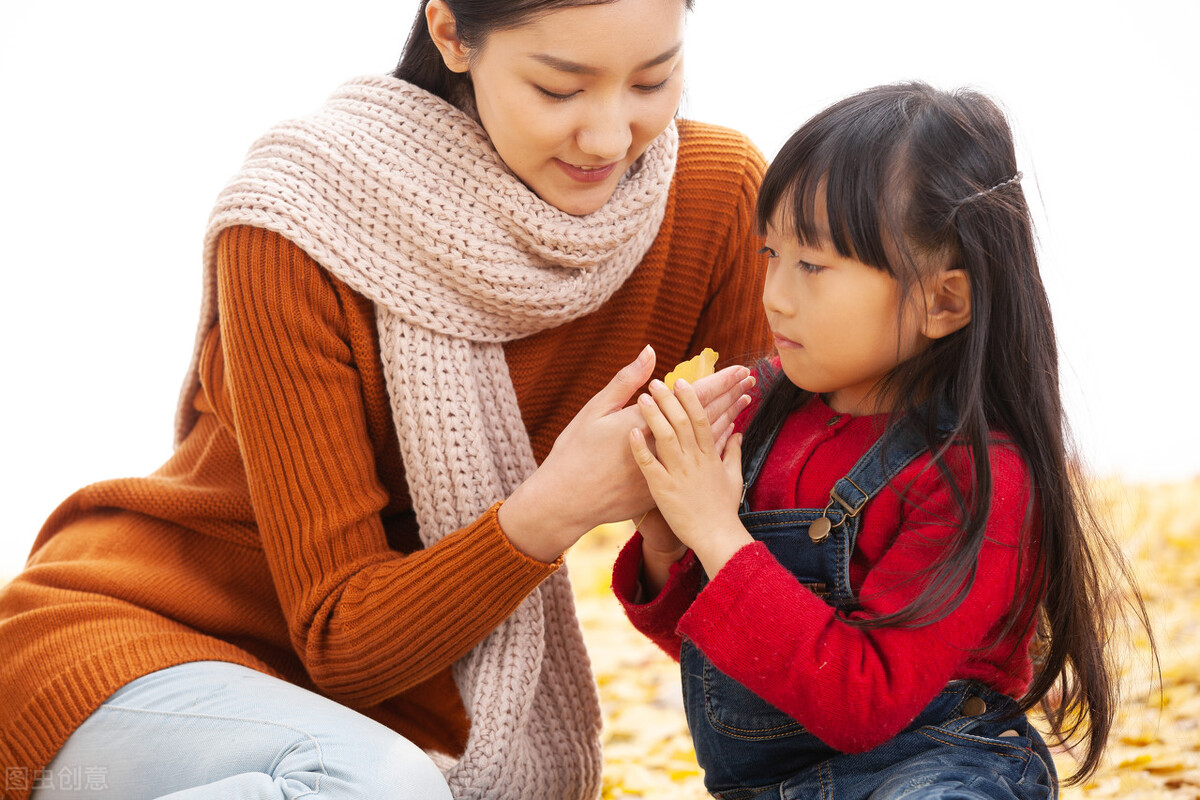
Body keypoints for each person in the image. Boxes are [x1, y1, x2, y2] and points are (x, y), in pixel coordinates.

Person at [0, 1, 772, 798]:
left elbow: (774, 614)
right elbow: (341, 640)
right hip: (134, 658)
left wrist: (675, 532)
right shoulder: (299, 221)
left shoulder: (715, 202)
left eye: (653, 79)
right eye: (558, 89)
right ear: (450, 34)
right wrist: (554, 509)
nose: (610, 136)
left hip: (387, 730)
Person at [614, 82, 1155, 799]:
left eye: (813, 266)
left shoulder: (978, 477)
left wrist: (715, 529)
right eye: (771, 252)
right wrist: (668, 539)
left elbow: (862, 704)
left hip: (935, 768)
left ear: (943, 300)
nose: (775, 293)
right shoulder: (761, 411)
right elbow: (735, 663)